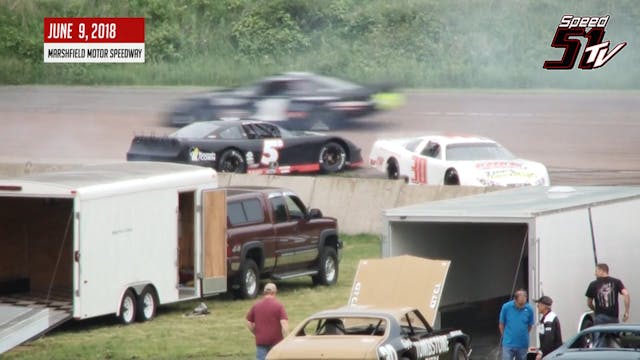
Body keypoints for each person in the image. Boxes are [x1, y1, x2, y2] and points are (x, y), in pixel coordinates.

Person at [246, 283, 289, 360]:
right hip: (276, 342)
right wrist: (286, 338)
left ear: (264, 293)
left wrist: (256, 332)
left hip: (261, 341)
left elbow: (249, 322)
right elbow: (284, 323)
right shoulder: (278, 306)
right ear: (274, 292)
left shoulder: (256, 305)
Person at [499, 289, 535, 360]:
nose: (522, 306)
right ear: (514, 300)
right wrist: (505, 336)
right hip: (508, 344)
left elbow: (530, 325)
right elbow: (501, 324)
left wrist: (522, 334)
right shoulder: (506, 307)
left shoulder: (529, 309)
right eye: (520, 304)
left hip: (523, 344)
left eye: (524, 304)